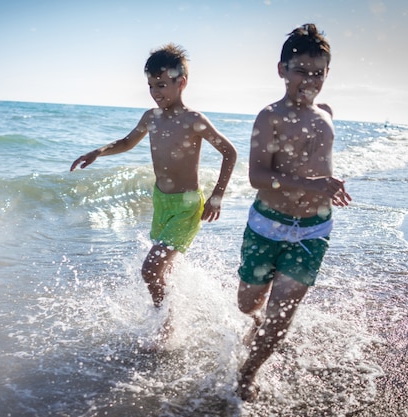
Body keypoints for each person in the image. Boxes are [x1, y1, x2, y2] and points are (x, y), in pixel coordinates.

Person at [70, 43, 237, 347]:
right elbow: (126, 142)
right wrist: (99, 151)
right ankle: (174, 315)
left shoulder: (193, 119)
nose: (155, 91)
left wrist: (217, 196)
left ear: (181, 82)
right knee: (162, 270)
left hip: (187, 206)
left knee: (150, 270)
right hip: (161, 201)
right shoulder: (151, 117)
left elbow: (230, 152)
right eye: (150, 85)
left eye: (161, 84)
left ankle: (167, 324)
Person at [235, 24, 351, 401]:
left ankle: (246, 373)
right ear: (282, 69)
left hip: (313, 231)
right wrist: (314, 184)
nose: (310, 79)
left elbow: (321, 166)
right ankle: (256, 323)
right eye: (301, 69)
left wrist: (330, 185)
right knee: (248, 304)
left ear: (327, 73)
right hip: (267, 226)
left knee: (283, 313)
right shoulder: (270, 116)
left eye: (318, 72)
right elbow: (257, 176)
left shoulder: (328, 114)